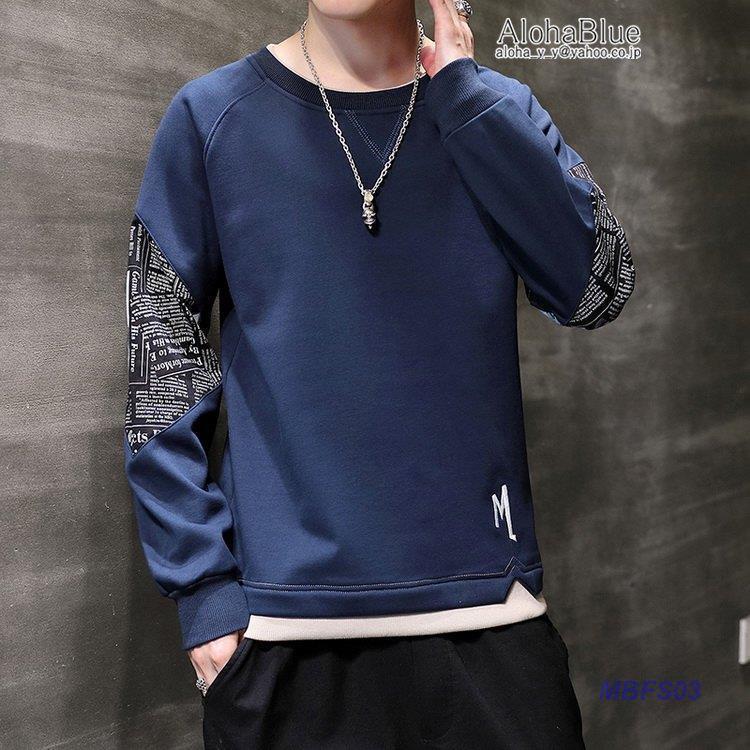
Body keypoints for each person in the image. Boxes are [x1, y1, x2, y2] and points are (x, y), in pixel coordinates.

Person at [123, 0, 635, 746]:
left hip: (490, 627)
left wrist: (465, 100)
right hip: (283, 640)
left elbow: (598, 286)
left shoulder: (494, 110)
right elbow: (159, 364)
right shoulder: (212, 117)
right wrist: (204, 594)